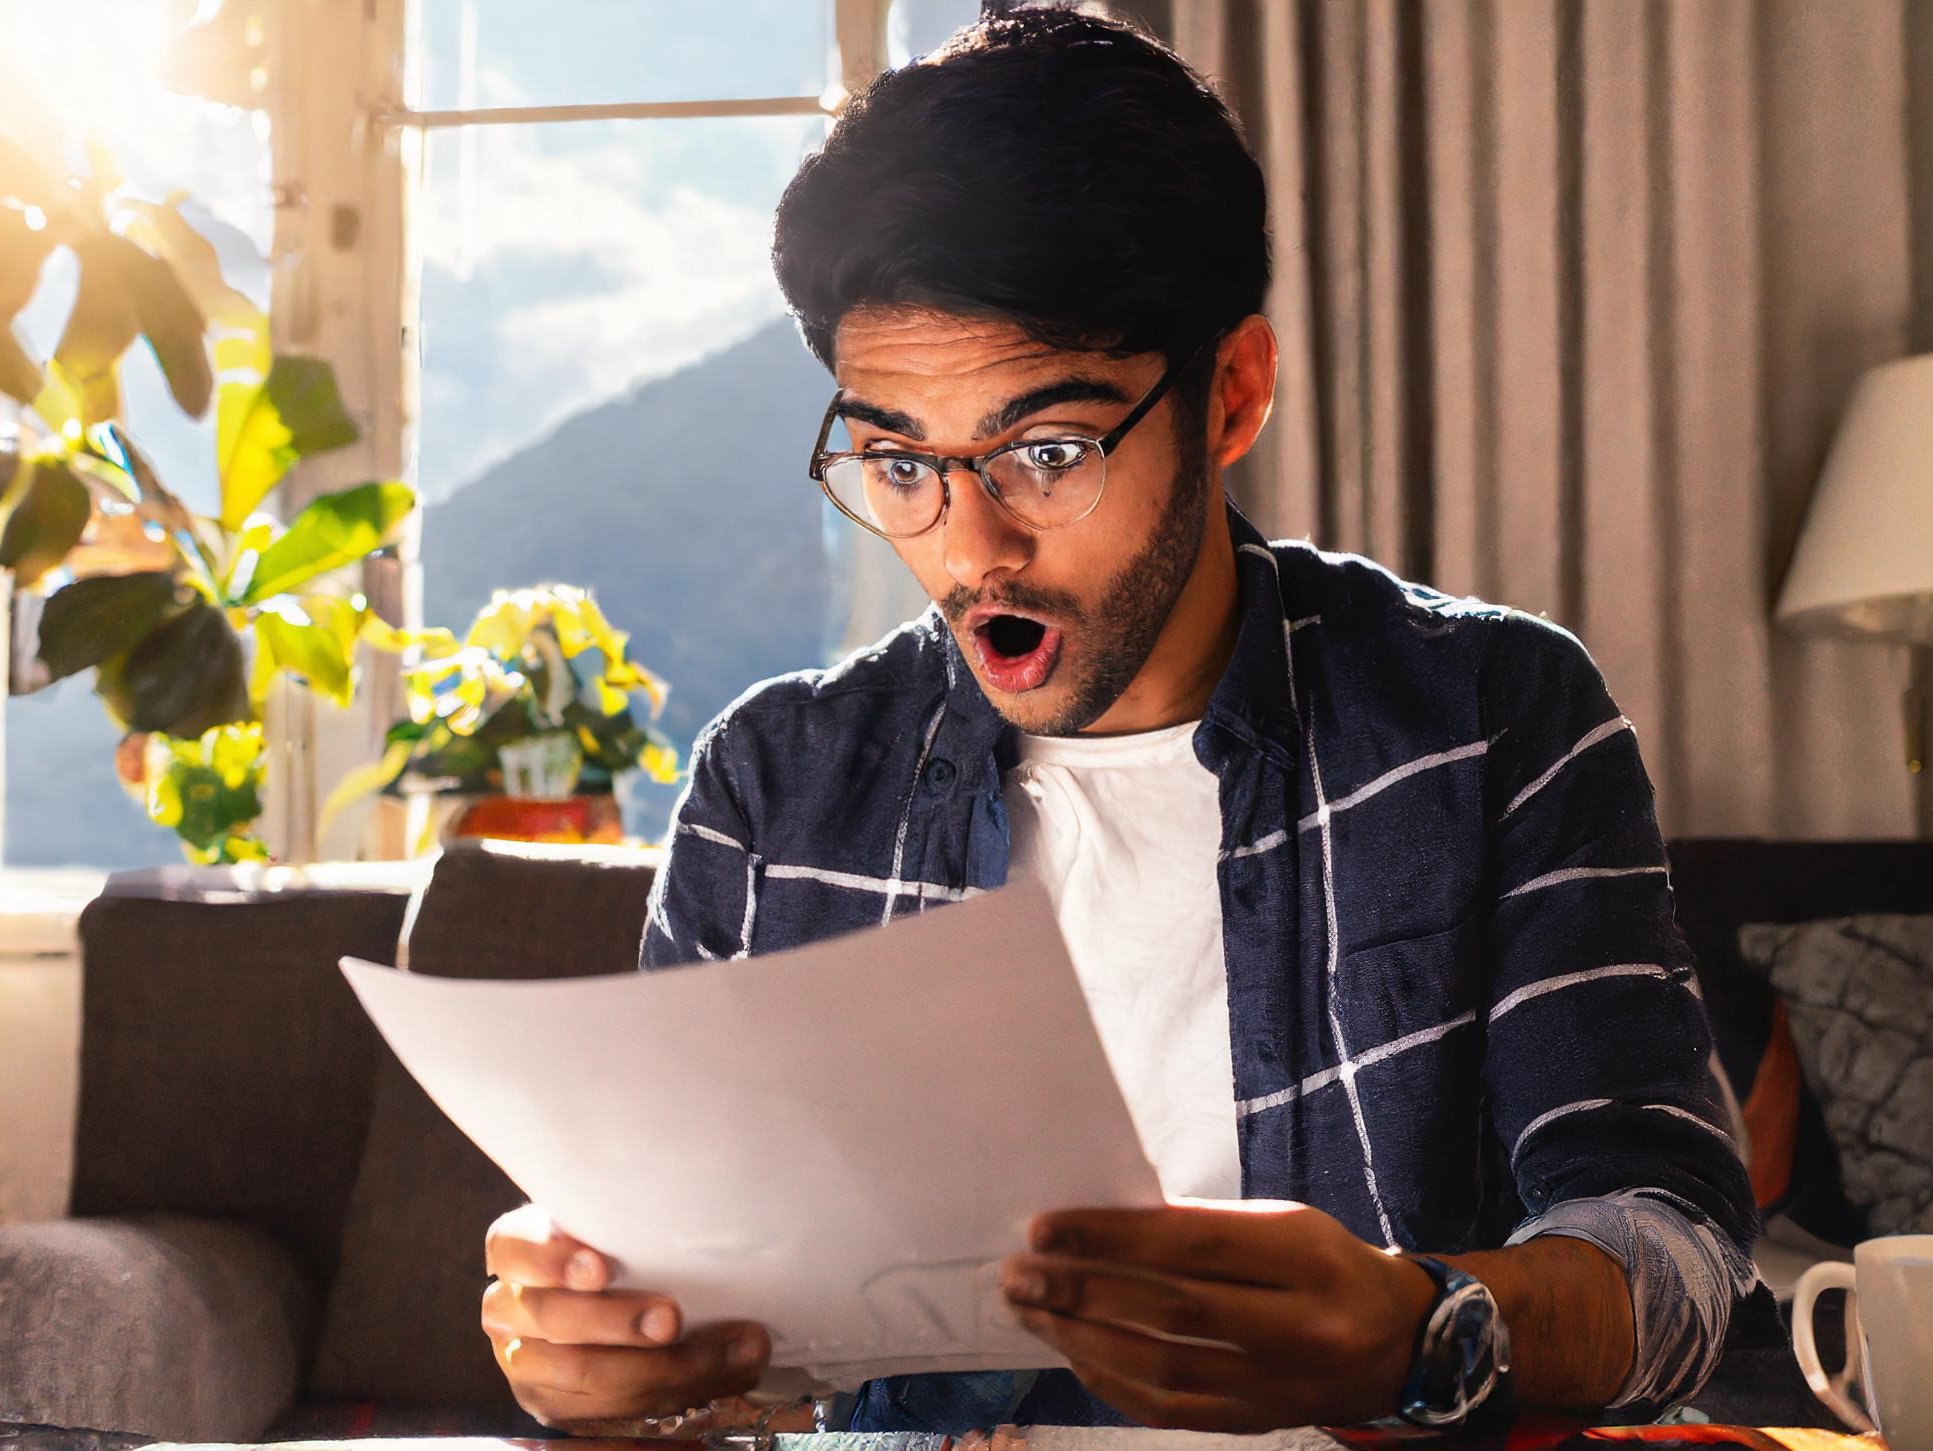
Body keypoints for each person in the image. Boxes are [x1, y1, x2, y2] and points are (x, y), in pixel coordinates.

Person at [478, 7, 1759, 1436]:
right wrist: (610, 1363)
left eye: (1044, 452)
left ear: (1232, 393)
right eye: (898, 461)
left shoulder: (1490, 720)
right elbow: (710, 1349)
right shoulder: (776, 788)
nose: (971, 551)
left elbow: (1676, 1255)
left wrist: (1423, 1325)